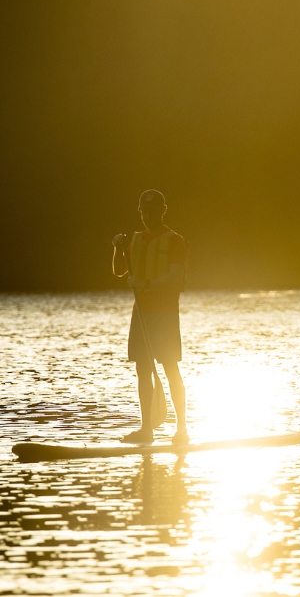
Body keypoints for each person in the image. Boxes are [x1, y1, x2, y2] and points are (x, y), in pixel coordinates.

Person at [112, 190, 190, 445]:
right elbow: (119, 270)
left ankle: (181, 430)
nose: (148, 216)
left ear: (162, 211)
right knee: (142, 370)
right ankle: (146, 429)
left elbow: (175, 277)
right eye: (144, 212)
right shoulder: (135, 239)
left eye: (153, 212)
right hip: (141, 314)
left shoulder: (175, 240)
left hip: (164, 314)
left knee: (170, 368)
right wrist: (118, 248)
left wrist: (145, 283)